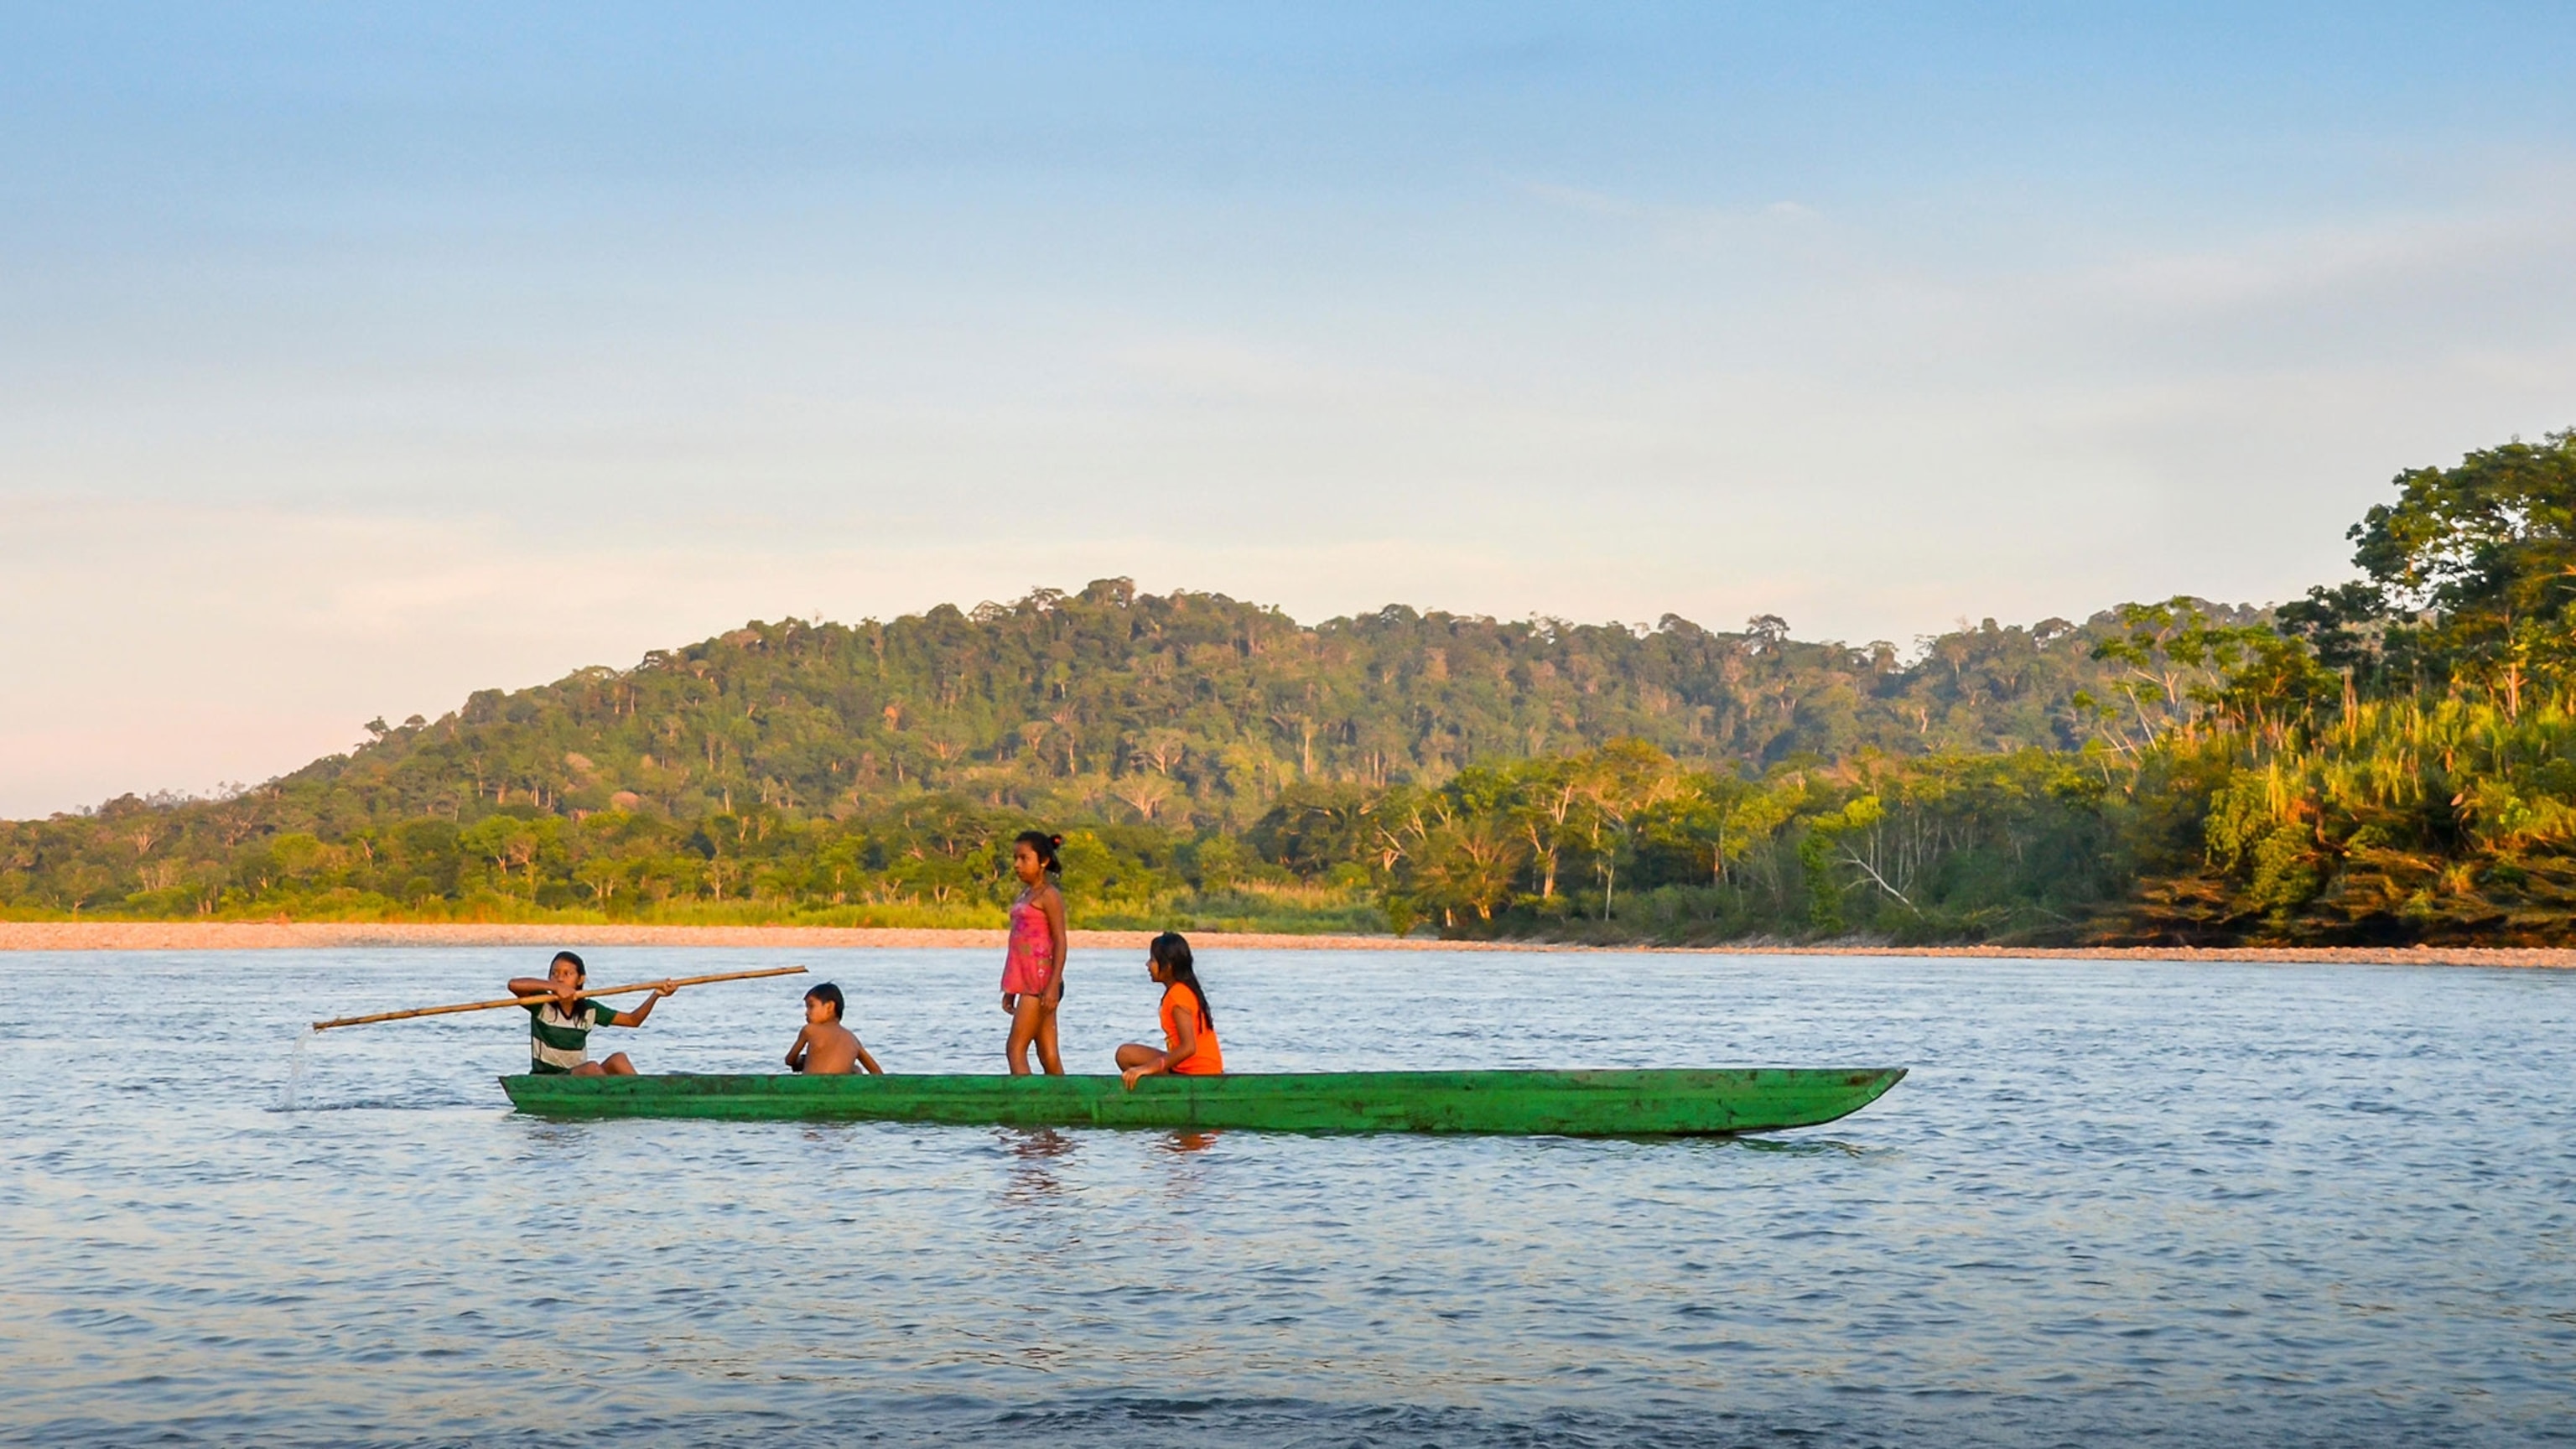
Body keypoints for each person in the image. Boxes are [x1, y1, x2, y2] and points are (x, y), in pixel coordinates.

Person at [506, 950, 672, 1076]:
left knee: (618, 1059)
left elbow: (632, 1020)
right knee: (592, 1068)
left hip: (578, 1076)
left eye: (567, 974)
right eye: (554, 974)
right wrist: (553, 987)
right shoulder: (541, 1004)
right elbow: (514, 984)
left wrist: (656, 995)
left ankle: (642, 1094)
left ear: (580, 980)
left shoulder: (589, 1009)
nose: (560, 978)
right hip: (548, 1078)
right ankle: (611, 1097)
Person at [1000, 829, 1070, 1076]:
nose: (1017, 865)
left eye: (1024, 858)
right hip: (1028, 982)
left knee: (1015, 1049)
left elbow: (1060, 941)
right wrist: (1011, 989)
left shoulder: (1049, 896)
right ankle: (1064, 1103)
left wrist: (1052, 985)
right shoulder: (1025, 894)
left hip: (1041, 983)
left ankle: (1027, 1104)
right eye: (1015, 858)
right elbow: (1017, 945)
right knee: (1047, 1054)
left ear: (1043, 861)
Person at [1117, 931, 1223, 1088]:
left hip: (1197, 1072)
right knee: (1125, 1054)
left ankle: (1165, 1097)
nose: (1147, 965)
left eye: (1152, 960)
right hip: (1190, 1067)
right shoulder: (1181, 990)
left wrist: (1148, 1067)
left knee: (1125, 1055)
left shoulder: (1178, 996)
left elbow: (1189, 1048)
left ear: (1168, 967)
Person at [785, 981, 882, 1076]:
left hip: (811, 1089)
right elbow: (877, 1072)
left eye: (811, 1006)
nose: (806, 1013)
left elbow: (789, 1060)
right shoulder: (853, 1039)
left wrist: (802, 1060)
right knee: (856, 1070)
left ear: (829, 1007)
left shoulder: (809, 1030)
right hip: (838, 1091)